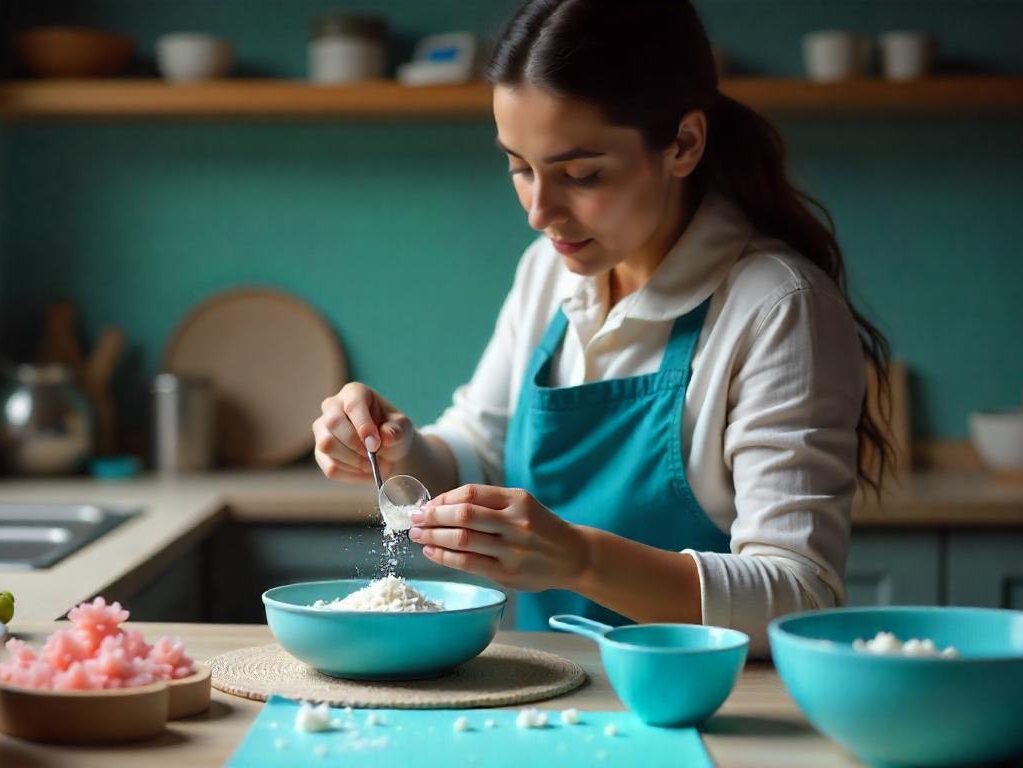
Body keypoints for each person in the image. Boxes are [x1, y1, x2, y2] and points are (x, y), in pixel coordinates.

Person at [312, 0, 891, 652]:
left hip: (714, 714)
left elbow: (799, 594)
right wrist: (398, 451)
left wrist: (578, 559)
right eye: (519, 167)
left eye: (581, 174)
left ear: (684, 143)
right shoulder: (549, 272)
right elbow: (480, 447)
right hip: (548, 698)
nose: (539, 211)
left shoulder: (778, 309)